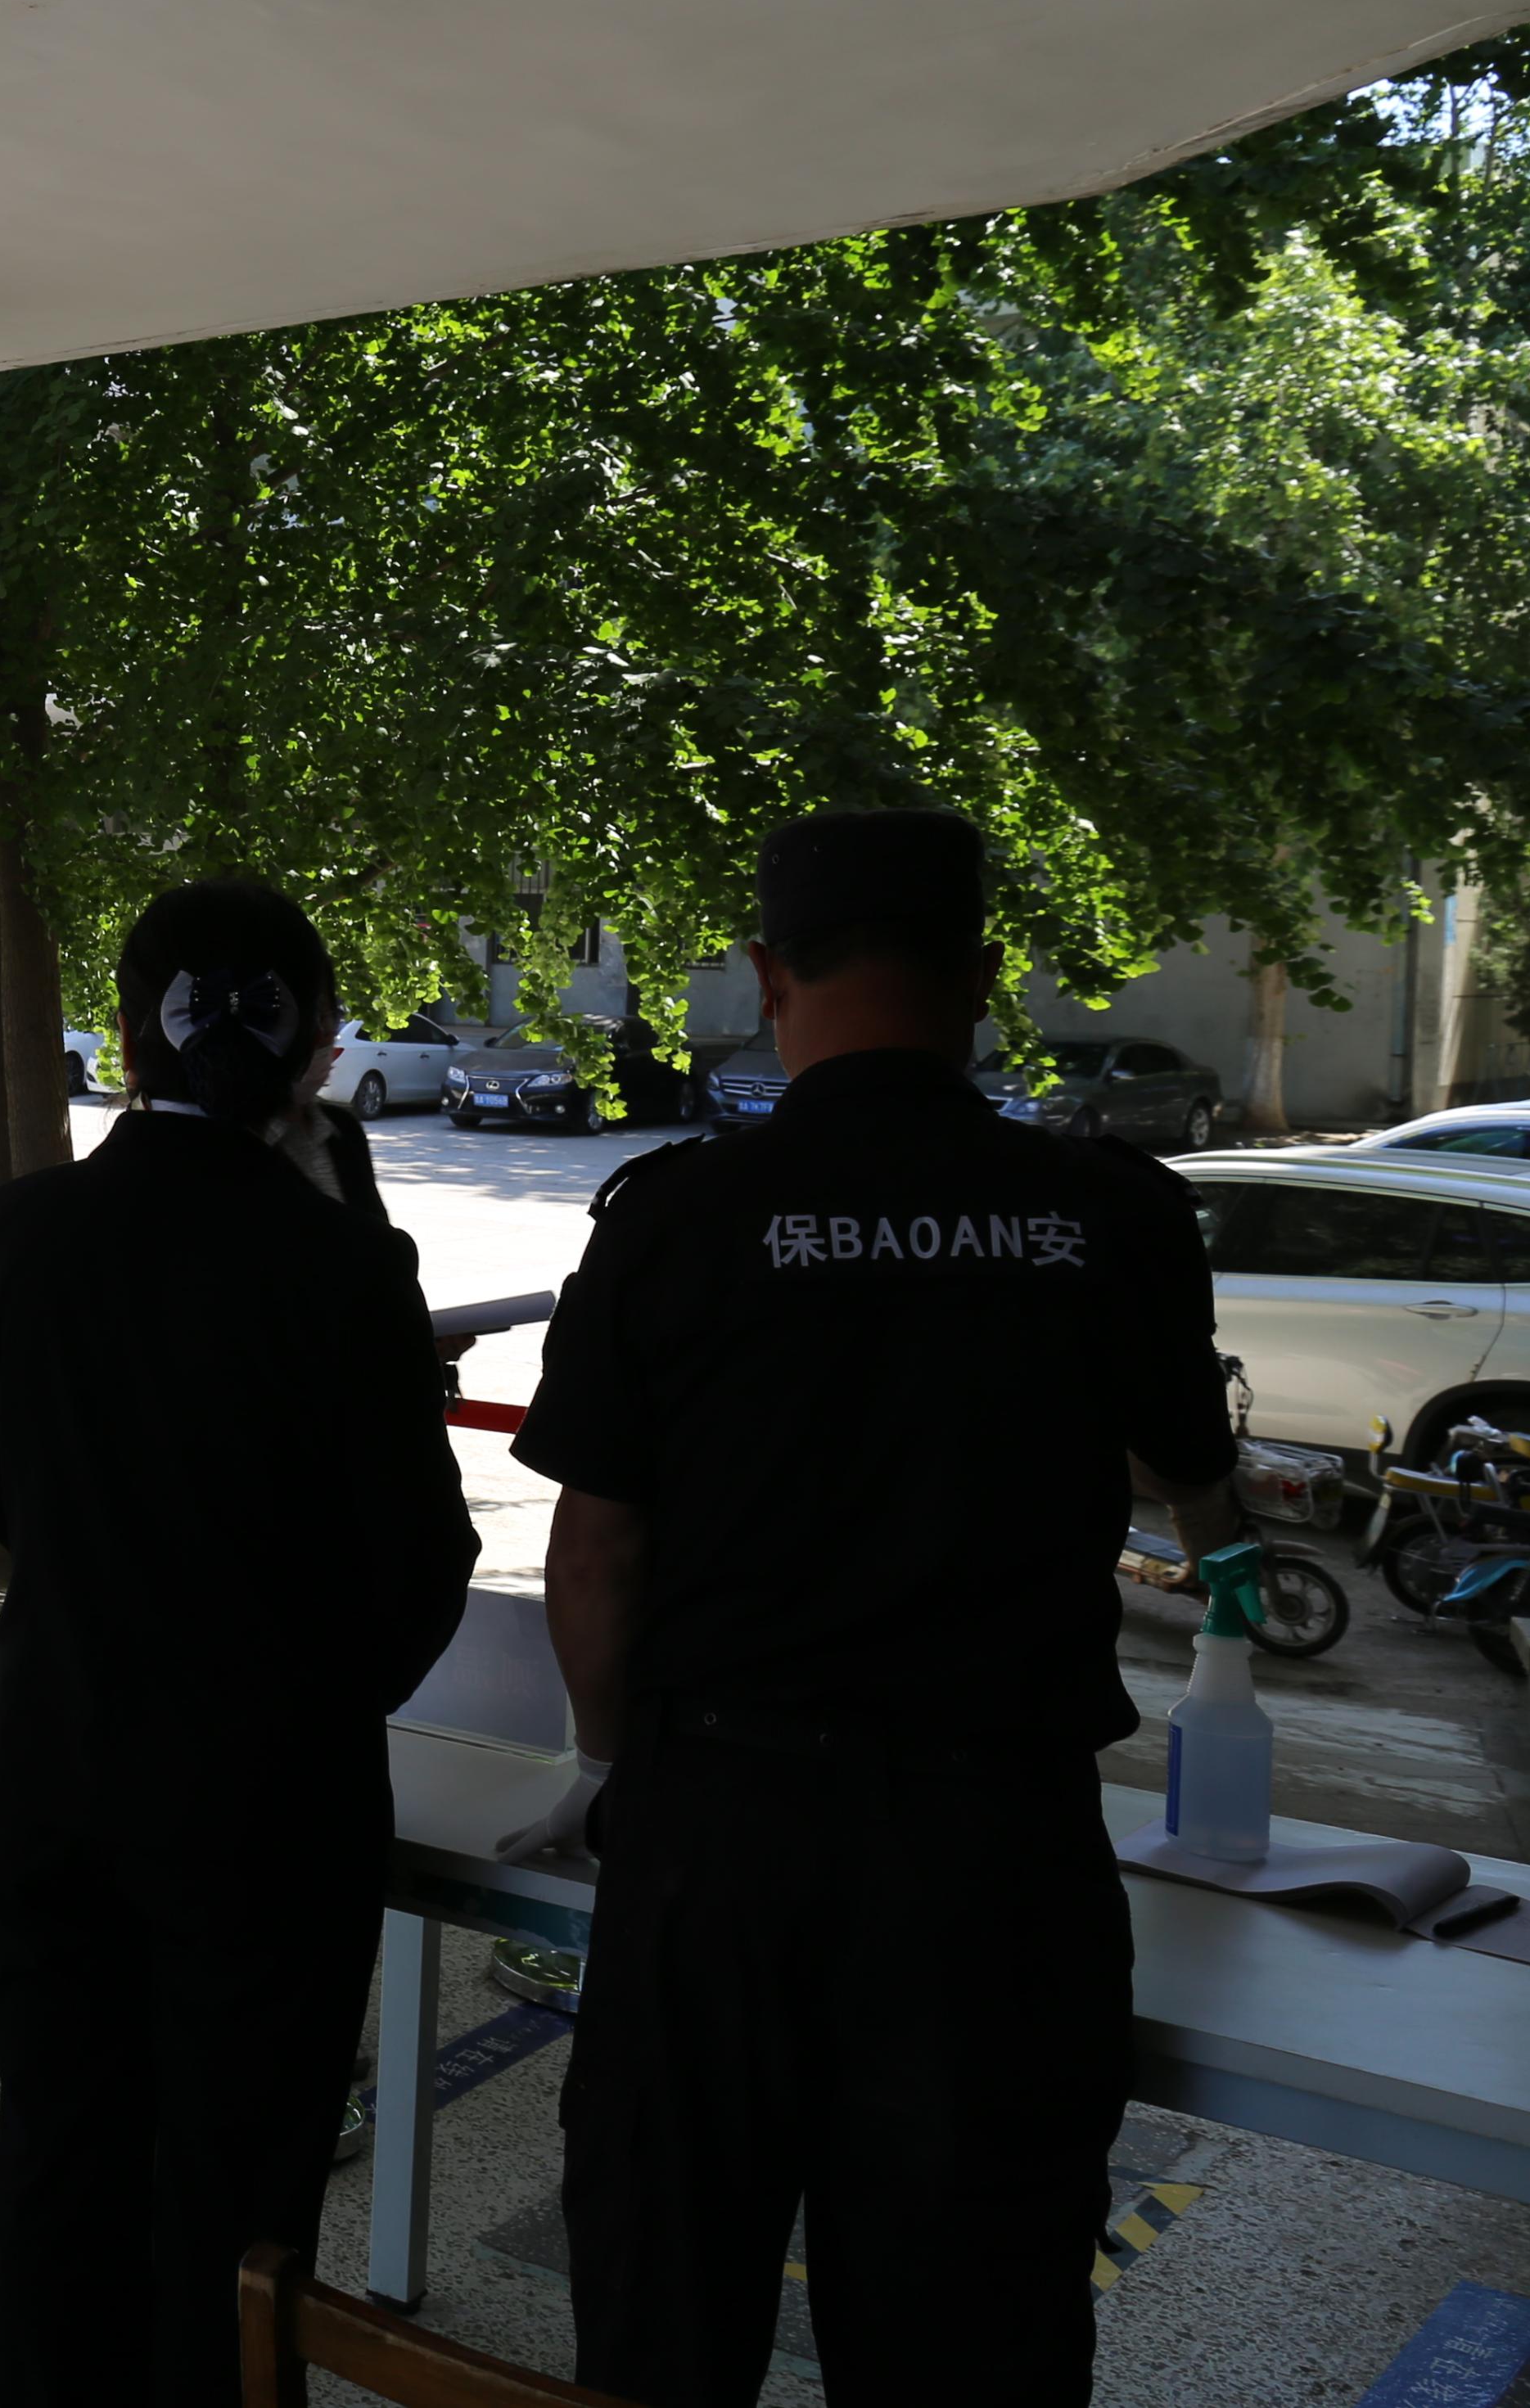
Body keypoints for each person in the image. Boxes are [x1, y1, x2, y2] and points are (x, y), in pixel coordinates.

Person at [512, 809, 1241, 2408]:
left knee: (664, 2317)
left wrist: (598, 1755)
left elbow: (599, 1548)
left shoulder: (679, 1214)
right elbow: (1197, 1483)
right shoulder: (1108, 1212)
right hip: (996, 1856)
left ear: (772, 976)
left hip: (720, 1839)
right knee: (970, 2340)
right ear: (981, 977)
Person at [0, 877, 477, 2408]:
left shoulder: (17, 1233)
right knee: (239, 2211)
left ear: (127, 1037)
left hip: (54, 1775)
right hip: (267, 1812)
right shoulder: (347, 1268)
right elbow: (424, 1566)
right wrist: (302, 1698)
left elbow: (3, 1497)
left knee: (60, 2168)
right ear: (317, 1049)